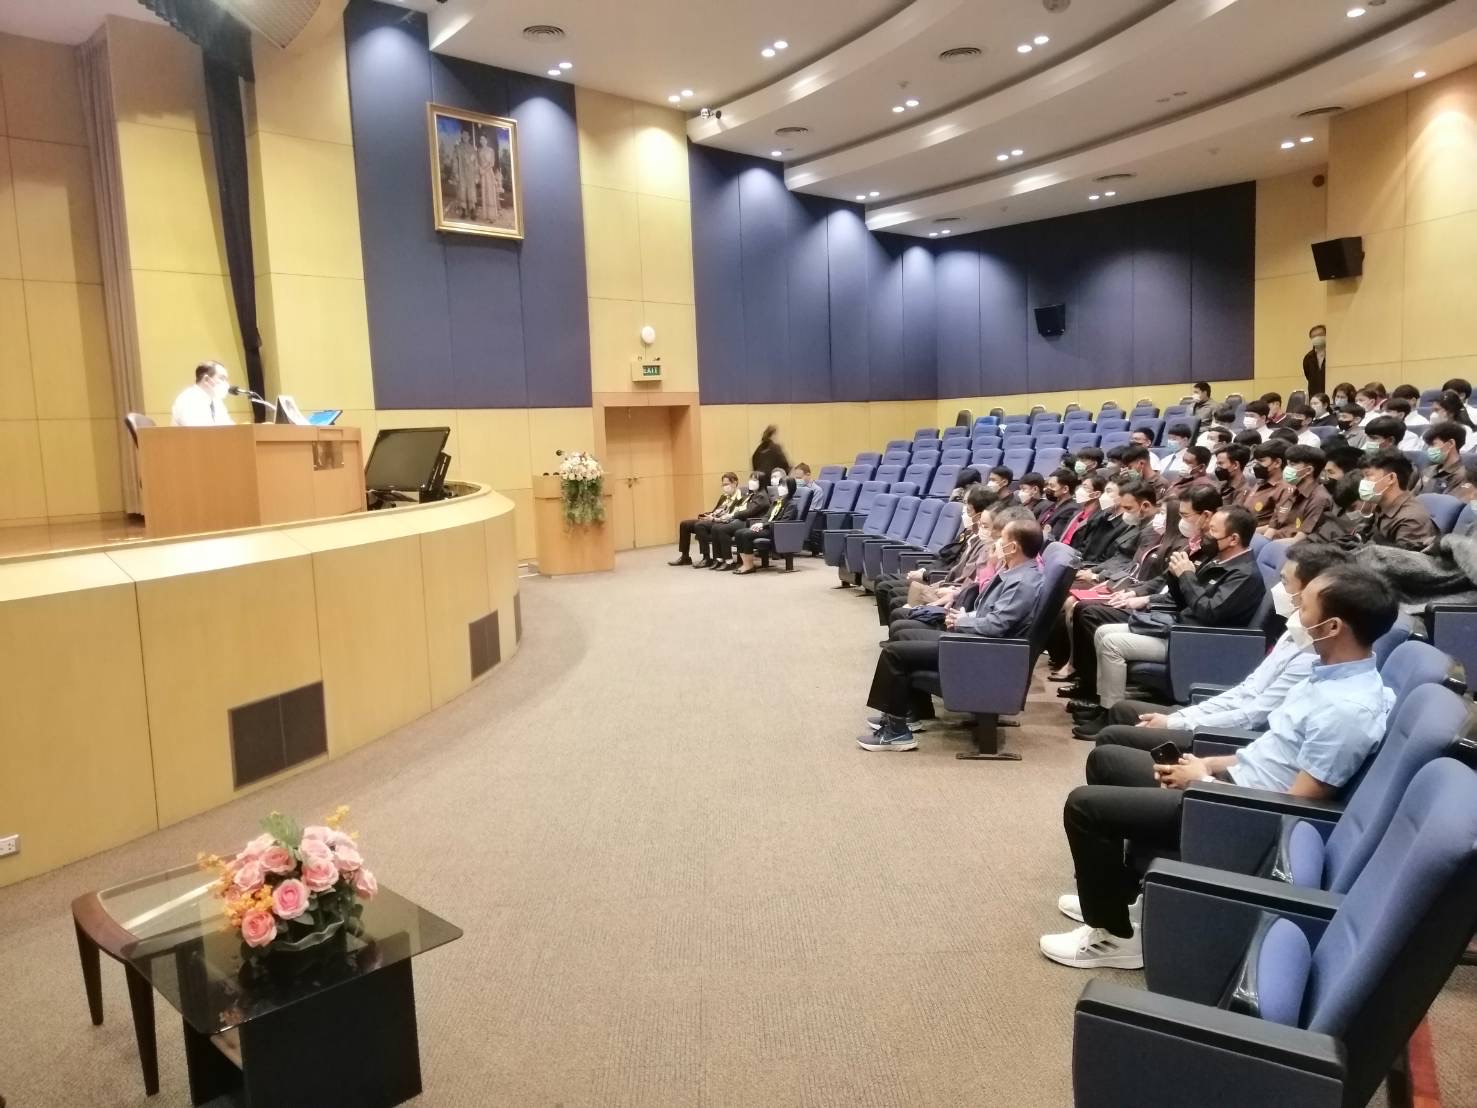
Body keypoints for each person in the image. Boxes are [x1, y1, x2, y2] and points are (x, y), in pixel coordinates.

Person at [1040, 564, 1397, 970]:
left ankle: (1114, 935)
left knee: (1085, 808)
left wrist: (1206, 784)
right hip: (1231, 784)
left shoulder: (1347, 709)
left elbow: (1297, 807)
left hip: (1240, 815)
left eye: (1306, 608)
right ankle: (1121, 898)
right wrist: (1208, 764)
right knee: (1108, 761)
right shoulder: (1326, 674)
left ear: (1332, 627)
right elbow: (1268, 752)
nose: (1297, 614)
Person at [1094, 542, 1347, 743]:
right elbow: (1245, 690)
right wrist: (1184, 714)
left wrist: (1175, 722)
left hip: (1230, 729)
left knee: (1113, 738)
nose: (1277, 590)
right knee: (1121, 711)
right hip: (1223, 706)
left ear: (1314, 590)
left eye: (1284, 582)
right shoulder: (1294, 631)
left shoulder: (1312, 654)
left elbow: (1255, 715)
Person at [1070, 503, 1263, 737]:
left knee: (1112, 644)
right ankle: (1104, 704)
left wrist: (1187, 575)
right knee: (1103, 632)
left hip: (1197, 641)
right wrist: (1174, 574)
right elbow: (1184, 601)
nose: (1206, 533)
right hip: (1180, 628)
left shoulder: (1245, 575)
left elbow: (1208, 612)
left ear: (1233, 539)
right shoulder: (1217, 559)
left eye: (1213, 530)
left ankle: (1112, 714)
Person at [858, 519, 1045, 751]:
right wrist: (965, 617)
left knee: (894, 653)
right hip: (980, 643)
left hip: (981, 651)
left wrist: (961, 622)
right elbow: (993, 613)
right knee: (905, 637)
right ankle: (912, 711)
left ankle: (896, 732)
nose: (997, 543)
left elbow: (996, 626)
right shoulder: (1018, 573)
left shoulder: (1022, 582)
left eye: (1002, 539)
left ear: (1013, 547)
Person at [1357, 449, 1437, 550]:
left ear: (1391, 478)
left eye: (1368, 475)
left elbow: (1400, 558)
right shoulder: (1381, 505)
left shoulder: (1411, 520)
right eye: (1363, 476)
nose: (1363, 481)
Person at [1262, 444, 1333, 540]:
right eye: (1287, 464)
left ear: (1308, 470)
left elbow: (1300, 539)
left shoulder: (1320, 499)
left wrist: (1270, 546)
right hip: (1273, 543)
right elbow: (1272, 528)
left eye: (1292, 464)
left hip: (1291, 546)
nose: (1287, 468)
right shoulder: (1290, 491)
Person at [733, 477, 800, 574]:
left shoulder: (791, 504)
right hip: (768, 527)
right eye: (780, 485)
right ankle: (746, 563)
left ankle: (749, 566)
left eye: (784, 485)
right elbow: (767, 516)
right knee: (739, 533)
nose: (780, 487)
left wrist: (763, 525)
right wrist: (760, 523)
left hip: (776, 530)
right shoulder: (776, 501)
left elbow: (783, 522)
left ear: (791, 487)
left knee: (746, 534)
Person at [671, 472, 739, 566]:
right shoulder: (724, 496)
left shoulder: (740, 497)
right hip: (713, 518)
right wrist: (707, 515)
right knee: (685, 524)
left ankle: (706, 558)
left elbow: (733, 514)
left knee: (700, 525)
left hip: (722, 522)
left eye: (726, 484)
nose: (724, 487)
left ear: (735, 483)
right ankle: (685, 556)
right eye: (723, 485)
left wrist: (713, 518)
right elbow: (716, 510)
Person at [709, 472, 772, 570]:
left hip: (751, 521)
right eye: (750, 479)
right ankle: (719, 559)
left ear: (761, 482)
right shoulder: (753, 494)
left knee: (722, 529)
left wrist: (733, 515)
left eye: (755, 480)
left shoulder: (761, 496)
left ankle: (729, 561)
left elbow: (749, 512)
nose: (751, 482)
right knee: (715, 527)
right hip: (743, 519)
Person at [1420, 424, 1476, 500]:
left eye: (1433, 444)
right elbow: (1412, 497)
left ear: (1450, 444)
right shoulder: (1428, 470)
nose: (1429, 450)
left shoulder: (1465, 477)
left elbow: (1451, 505)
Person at [171, 361, 236, 426]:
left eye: (226, 380)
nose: (226, 384)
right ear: (206, 379)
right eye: (222, 378)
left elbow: (227, 425)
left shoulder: (216, 401)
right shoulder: (188, 399)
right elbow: (197, 430)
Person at [1039, 469, 1080, 539]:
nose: (1046, 489)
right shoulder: (1050, 505)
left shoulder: (1070, 510)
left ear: (1065, 489)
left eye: (1052, 486)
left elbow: (1053, 537)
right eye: (1047, 485)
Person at [1303, 324, 1328, 395]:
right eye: (1314, 336)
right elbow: (1308, 376)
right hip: (1314, 395)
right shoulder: (1308, 357)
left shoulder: (1332, 355)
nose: (1317, 338)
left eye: (1320, 335)